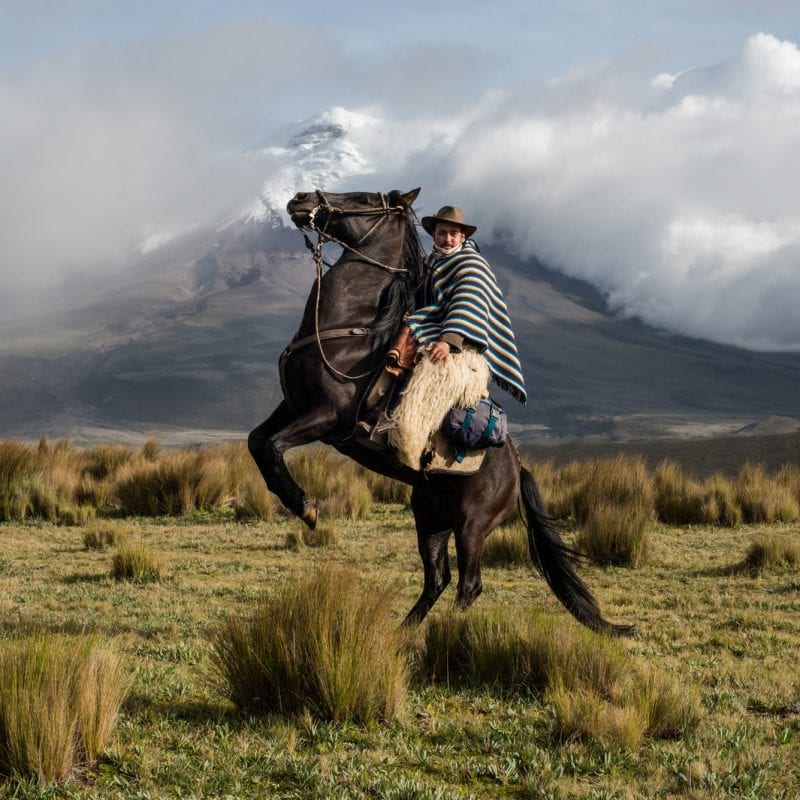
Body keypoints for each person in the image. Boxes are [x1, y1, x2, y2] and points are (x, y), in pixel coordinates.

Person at [405, 205, 527, 405]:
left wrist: (448, 341)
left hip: (462, 344)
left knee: (424, 392)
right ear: (433, 236)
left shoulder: (472, 264)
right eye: (442, 233)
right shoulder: (430, 263)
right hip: (427, 331)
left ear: (463, 237)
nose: (448, 239)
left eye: (453, 233)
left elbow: (468, 302)